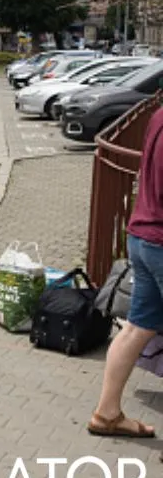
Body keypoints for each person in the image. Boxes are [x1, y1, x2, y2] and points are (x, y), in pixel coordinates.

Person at [88, 105, 163, 440]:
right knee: (137, 327)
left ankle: (107, 413)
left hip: (142, 235)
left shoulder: (159, 115)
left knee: (137, 327)